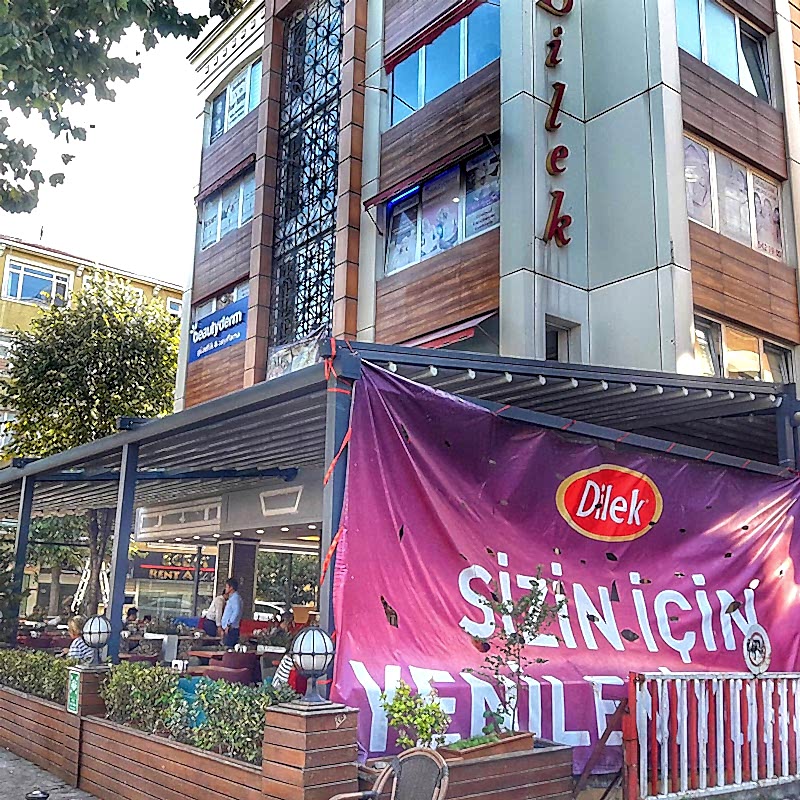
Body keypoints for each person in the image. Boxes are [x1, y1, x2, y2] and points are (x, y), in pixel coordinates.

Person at [219, 578, 243, 648]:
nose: (225, 589)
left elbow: (236, 611)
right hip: (228, 628)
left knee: (228, 648)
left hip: (231, 629)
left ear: (231, 588)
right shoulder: (232, 598)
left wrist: (229, 624)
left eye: (227, 587)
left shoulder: (235, 598)